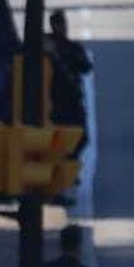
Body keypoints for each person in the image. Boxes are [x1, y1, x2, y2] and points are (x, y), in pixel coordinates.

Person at [46, 9, 92, 157]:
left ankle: (70, 162)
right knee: (54, 137)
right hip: (52, 101)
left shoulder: (72, 47)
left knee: (80, 137)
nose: (62, 27)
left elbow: (85, 66)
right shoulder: (45, 46)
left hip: (71, 99)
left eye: (63, 23)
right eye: (58, 24)